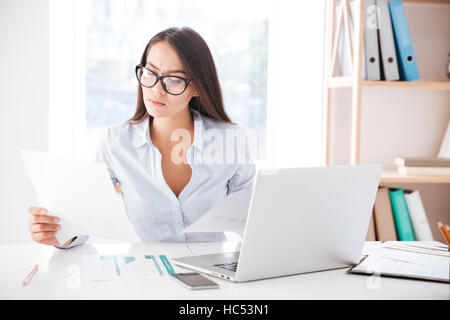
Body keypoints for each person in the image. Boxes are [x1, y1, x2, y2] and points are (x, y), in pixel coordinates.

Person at [27, 27, 255, 248]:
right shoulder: (115, 143)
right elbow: (85, 222)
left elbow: (250, 226)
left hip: (213, 279)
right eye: (150, 73)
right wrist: (59, 233)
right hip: (145, 276)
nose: (157, 89)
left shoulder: (231, 140)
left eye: (174, 79)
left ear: (197, 87)